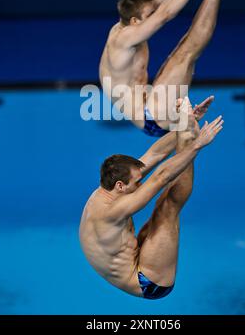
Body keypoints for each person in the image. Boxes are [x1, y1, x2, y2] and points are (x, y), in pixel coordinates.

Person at [79, 98, 224, 299]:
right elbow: (161, 177)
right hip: (147, 281)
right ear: (120, 186)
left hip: (134, 256)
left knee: (162, 202)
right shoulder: (110, 212)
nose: (140, 183)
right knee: (169, 205)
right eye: (137, 182)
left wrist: (186, 125)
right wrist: (196, 144)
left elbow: (154, 154)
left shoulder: (109, 187)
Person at [99, 0, 233, 136]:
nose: (154, 13)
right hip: (151, 115)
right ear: (135, 21)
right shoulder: (123, 39)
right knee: (185, 52)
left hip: (154, 104)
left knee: (186, 51)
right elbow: (164, 15)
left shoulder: (132, 22)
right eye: (149, 14)